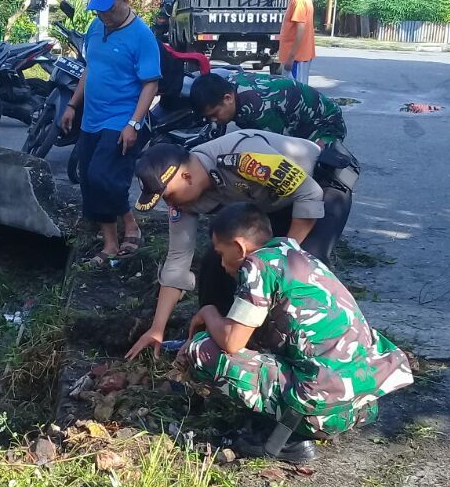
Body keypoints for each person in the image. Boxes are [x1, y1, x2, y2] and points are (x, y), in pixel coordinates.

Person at [183, 203, 413, 463]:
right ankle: (293, 417)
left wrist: (208, 312)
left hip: (321, 410)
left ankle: (287, 440)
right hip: (361, 403)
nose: (222, 264)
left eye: (221, 253)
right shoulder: (296, 254)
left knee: (202, 349)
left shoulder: (258, 266)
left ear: (239, 247)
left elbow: (232, 342)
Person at [124, 130, 354, 360]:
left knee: (300, 267)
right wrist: (157, 329)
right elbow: (177, 261)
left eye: (168, 195)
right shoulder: (184, 199)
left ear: (186, 176)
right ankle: (215, 336)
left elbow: (309, 194)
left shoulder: (243, 158)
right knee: (218, 260)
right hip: (271, 203)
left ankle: (318, 350)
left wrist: (281, 255)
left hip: (319, 190)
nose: (168, 202)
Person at [59, 0, 161, 267]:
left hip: (122, 118)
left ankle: (115, 241)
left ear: (125, 1)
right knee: (89, 179)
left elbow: (150, 84)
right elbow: (90, 68)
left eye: (109, 8)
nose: (104, 14)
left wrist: (134, 123)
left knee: (103, 175)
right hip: (92, 117)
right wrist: (72, 105)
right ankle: (120, 230)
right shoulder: (95, 26)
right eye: (99, 8)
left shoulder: (142, 36)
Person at [190, 70, 348, 148]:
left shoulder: (258, 110)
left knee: (309, 165)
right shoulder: (228, 86)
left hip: (325, 124)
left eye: (215, 114)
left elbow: (278, 150)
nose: (214, 120)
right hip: (294, 120)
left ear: (228, 98)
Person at [275, 0, 315, 84]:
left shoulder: (300, 1)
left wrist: (291, 57)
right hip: (294, 57)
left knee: (297, 92)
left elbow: (300, 30)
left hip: (297, 58)